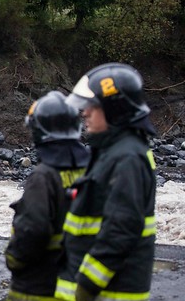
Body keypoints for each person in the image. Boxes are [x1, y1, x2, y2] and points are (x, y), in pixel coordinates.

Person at [55, 63, 157, 301]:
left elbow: (122, 227)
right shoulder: (111, 148)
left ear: (114, 109)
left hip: (109, 292)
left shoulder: (127, 156)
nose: (85, 112)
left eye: (93, 106)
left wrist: (88, 283)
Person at [5, 91, 90, 301]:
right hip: (77, 281)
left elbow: (33, 229)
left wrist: (13, 258)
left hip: (35, 286)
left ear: (38, 131)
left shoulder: (43, 177)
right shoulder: (91, 170)